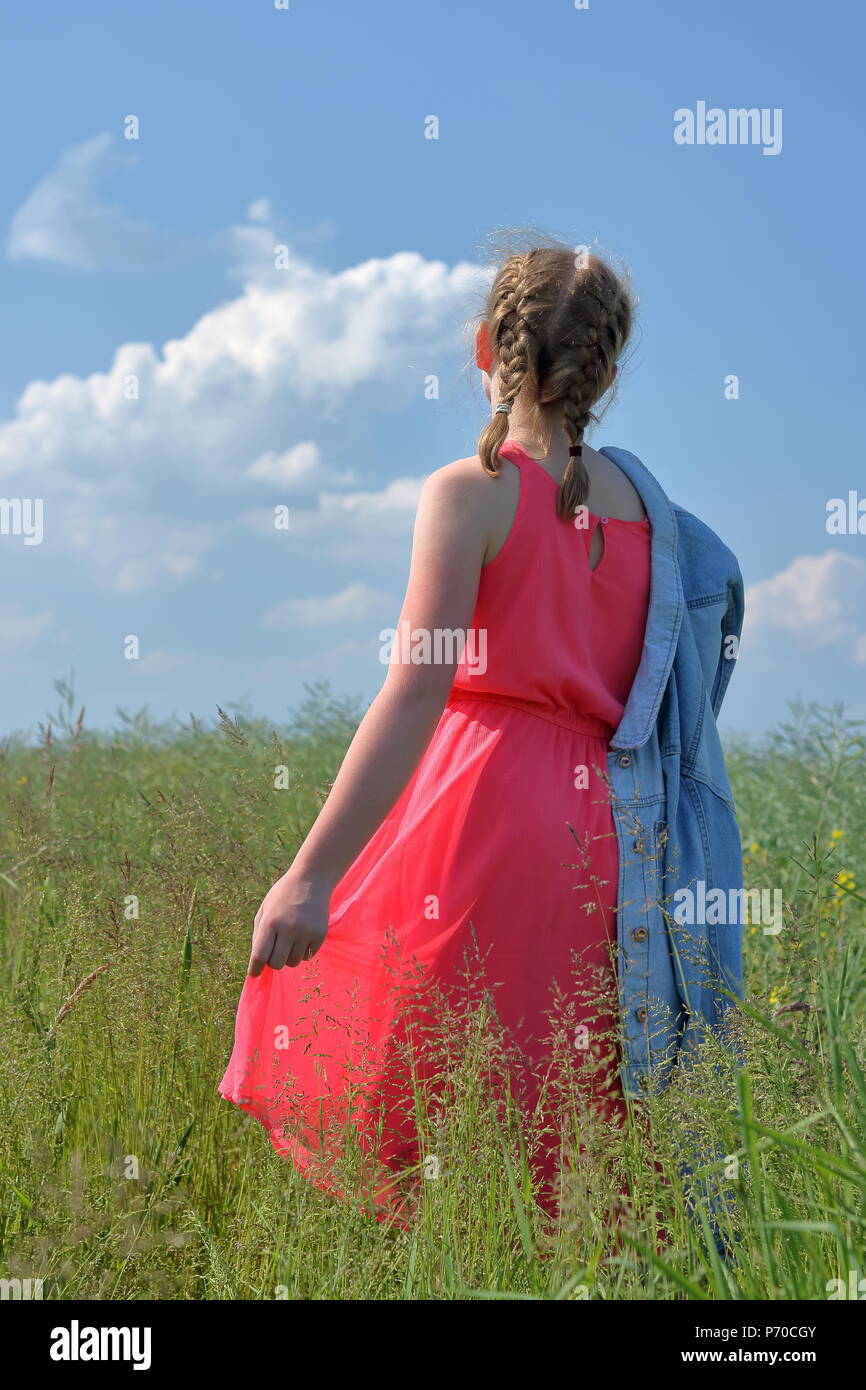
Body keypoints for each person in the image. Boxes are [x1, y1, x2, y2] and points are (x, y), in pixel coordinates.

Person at [219, 238, 745, 1224]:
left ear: (481, 346)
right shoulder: (653, 515)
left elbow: (414, 692)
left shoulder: (468, 490)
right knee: (576, 1101)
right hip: (608, 832)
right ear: (606, 369)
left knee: (442, 1092)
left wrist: (307, 875)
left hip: (477, 815)